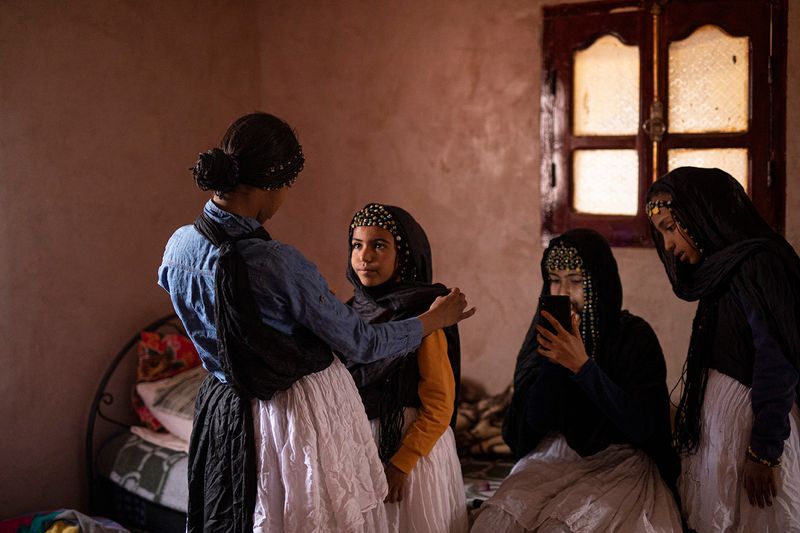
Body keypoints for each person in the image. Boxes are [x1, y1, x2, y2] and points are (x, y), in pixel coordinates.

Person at [157, 112, 474, 533]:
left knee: (252, 513)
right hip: (293, 414)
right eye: (287, 187)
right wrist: (431, 321)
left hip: (225, 407)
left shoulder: (178, 247)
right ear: (272, 183)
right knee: (307, 516)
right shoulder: (277, 263)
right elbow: (359, 342)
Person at [472, 228, 682, 532]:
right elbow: (531, 425)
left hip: (620, 460)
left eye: (575, 281)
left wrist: (583, 367)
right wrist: (555, 363)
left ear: (599, 283)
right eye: (554, 280)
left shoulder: (634, 336)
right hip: (553, 455)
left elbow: (643, 426)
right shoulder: (542, 337)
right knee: (495, 523)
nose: (562, 293)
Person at [646, 166, 800, 532]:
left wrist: (764, 452)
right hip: (726, 425)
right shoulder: (726, 269)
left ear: (700, 213)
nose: (668, 245)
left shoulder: (757, 266)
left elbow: (776, 362)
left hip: (753, 428)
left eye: (670, 227)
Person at [345, 203, 469, 533]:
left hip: (413, 454)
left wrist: (402, 463)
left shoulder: (426, 315)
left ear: (405, 254)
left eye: (379, 245)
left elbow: (440, 403)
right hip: (360, 451)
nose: (364, 256)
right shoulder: (346, 315)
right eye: (357, 245)